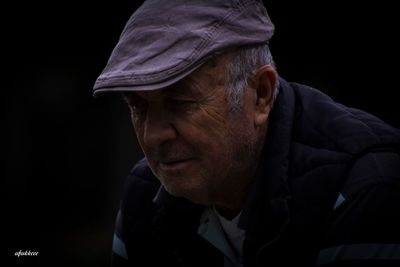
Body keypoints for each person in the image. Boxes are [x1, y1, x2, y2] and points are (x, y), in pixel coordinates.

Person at [93, 0, 400, 266]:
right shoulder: (145, 195)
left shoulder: (365, 187)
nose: (152, 135)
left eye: (180, 102)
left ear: (261, 94)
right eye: (138, 108)